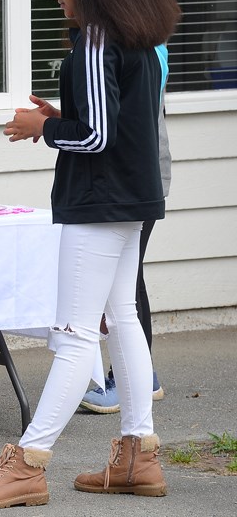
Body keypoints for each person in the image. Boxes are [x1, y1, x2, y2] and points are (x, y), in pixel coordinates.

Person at [0, 0, 181, 509]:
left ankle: (29, 464)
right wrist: (67, 114)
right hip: (132, 200)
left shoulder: (96, 41)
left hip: (99, 203)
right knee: (121, 317)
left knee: (76, 333)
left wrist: (46, 128)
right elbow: (117, 122)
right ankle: (139, 455)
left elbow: (97, 135)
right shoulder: (136, 38)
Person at [79, 93, 171, 413]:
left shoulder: (136, 53)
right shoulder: (137, 50)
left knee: (123, 289)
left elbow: (116, 124)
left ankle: (128, 378)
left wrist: (50, 126)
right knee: (131, 281)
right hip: (134, 184)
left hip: (133, 186)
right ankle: (142, 376)